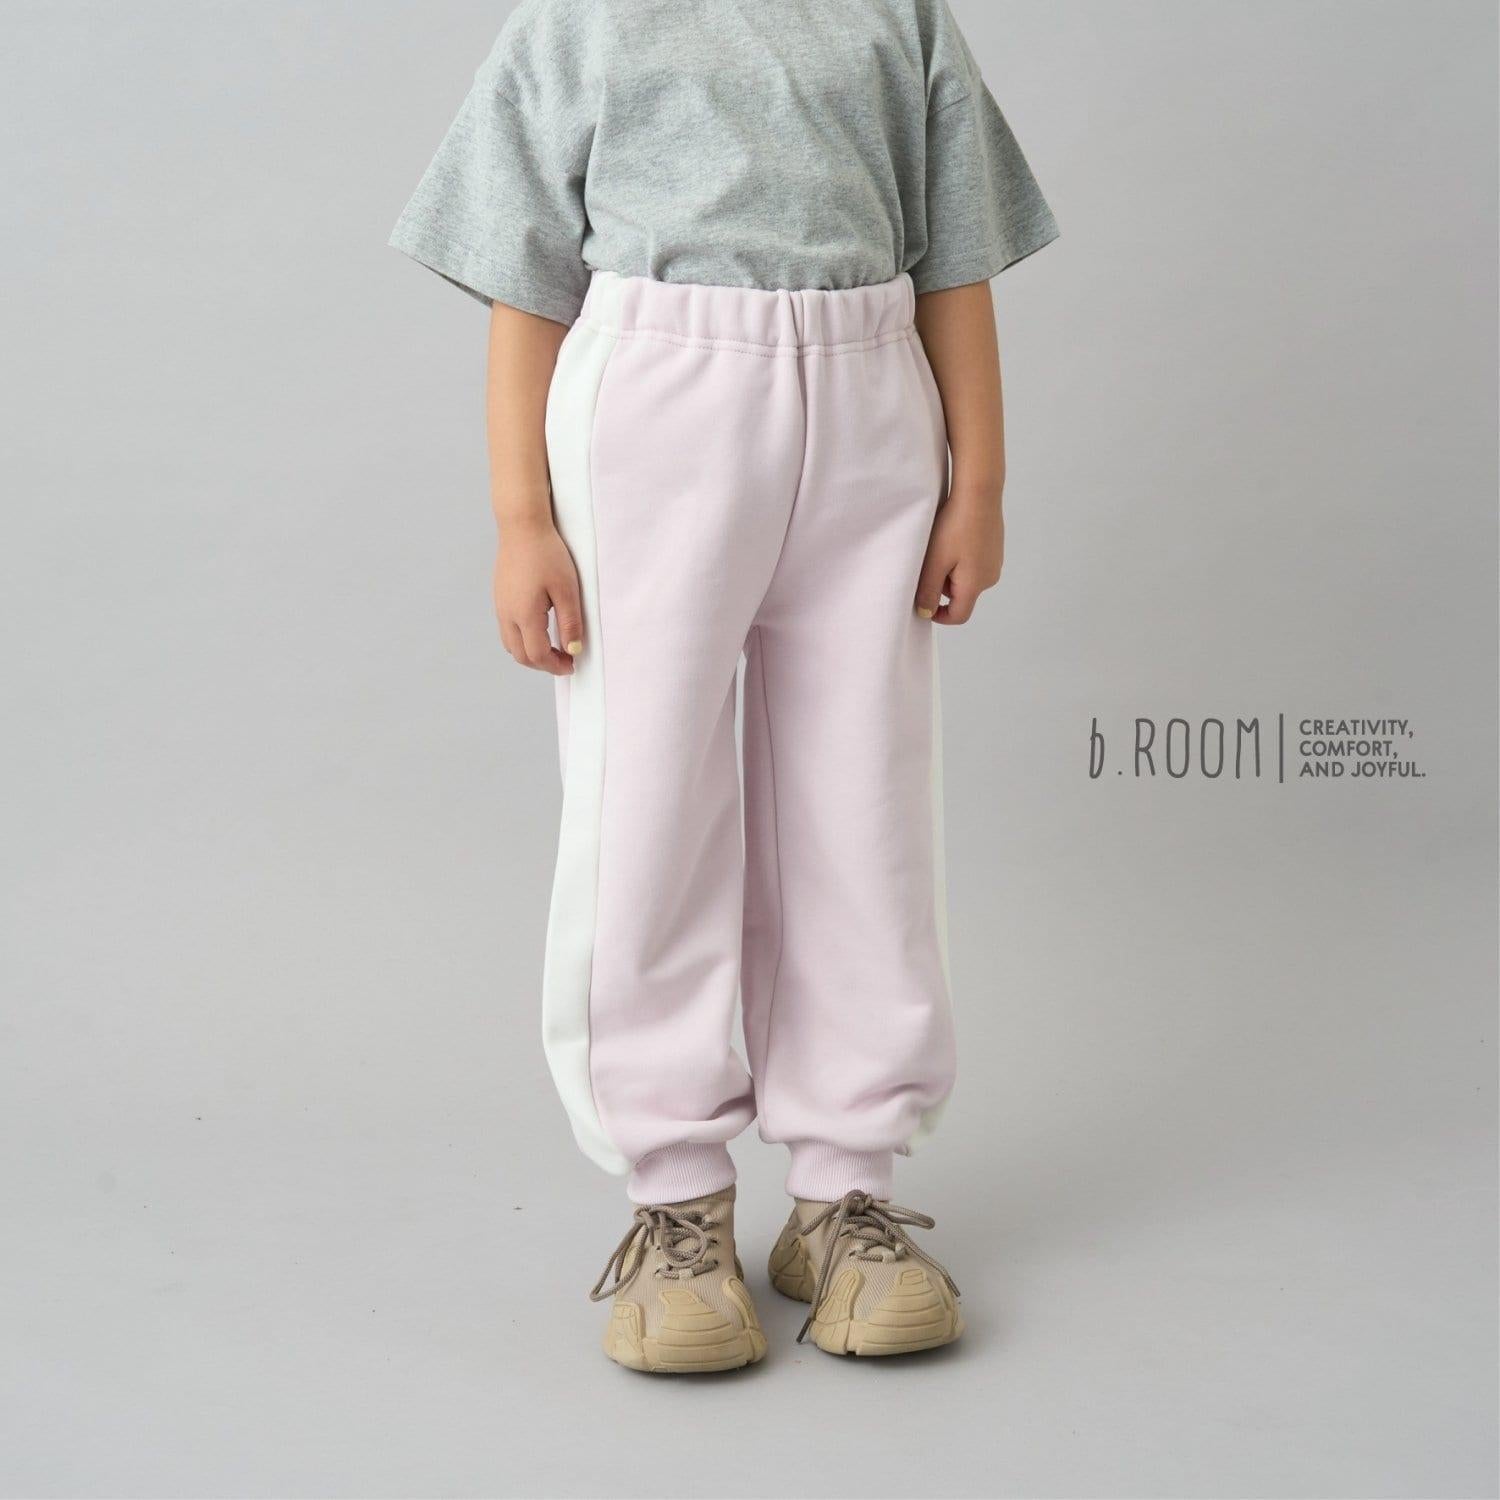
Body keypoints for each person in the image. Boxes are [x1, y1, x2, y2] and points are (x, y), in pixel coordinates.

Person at [391, 0, 1056, 1372]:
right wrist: (522, 518)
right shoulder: (582, 20)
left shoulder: (901, 15)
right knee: (648, 799)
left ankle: (846, 1191)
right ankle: (675, 1197)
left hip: (872, 402)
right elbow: (527, 278)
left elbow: (956, 258)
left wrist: (978, 485)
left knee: (864, 800)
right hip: (656, 407)